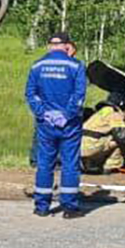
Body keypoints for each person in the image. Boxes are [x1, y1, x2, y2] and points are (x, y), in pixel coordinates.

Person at [25, 31, 87, 218]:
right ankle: (69, 207)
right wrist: (66, 115)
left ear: (49, 46)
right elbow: (79, 96)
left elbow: (30, 93)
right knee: (70, 164)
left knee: (44, 164)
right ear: (67, 46)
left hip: (46, 123)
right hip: (70, 124)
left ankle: (42, 206)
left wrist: (43, 113)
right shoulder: (75, 66)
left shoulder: (38, 65)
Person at [80, 95, 125, 174]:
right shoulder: (114, 113)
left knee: (103, 139)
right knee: (118, 142)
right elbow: (121, 137)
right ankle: (111, 166)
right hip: (92, 146)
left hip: (80, 146)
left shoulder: (100, 113)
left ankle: (90, 165)